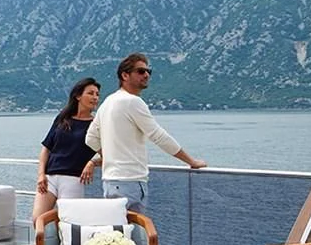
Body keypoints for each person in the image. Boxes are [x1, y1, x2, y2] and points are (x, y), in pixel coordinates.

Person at [84, 53, 206, 214]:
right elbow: (158, 136)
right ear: (125, 75)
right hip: (130, 182)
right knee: (133, 235)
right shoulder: (132, 102)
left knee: (118, 233)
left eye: (149, 71)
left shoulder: (108, 102)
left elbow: (90, 139)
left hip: (110, 181)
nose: (147, 75)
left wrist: (110, 156)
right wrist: (191, 161)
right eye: (141, 71)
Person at [33, 77, 101, 224]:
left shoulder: (96, 125)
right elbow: (46, 148)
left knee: (67, 223)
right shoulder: (62, 118)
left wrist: (92, 163)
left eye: (97, 94)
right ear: (78, 96)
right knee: (38, 220)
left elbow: (108, 155)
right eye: (90, 93)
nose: (95, 97)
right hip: (49, 178)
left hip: (74, 179)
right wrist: (41, 175)